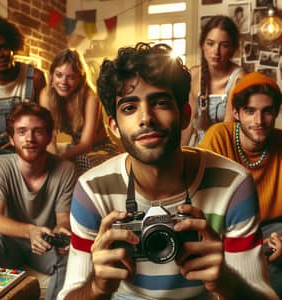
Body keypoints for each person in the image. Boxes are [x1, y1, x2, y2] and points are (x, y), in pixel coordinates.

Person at [58, 43, 277, 300]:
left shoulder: (234, 185)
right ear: (114, 127)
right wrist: (95, 287)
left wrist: (225, 283)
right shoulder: (93, 190)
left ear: (185, 115)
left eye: (160, 102)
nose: (146, 118)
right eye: (129, 107)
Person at [199, 71, 282, 298]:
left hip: (270, 228)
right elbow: (200, 198)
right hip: (222, 225)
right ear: (235, 112)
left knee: (273, 262)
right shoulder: (219, 137)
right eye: (250, 111)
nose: (259, 121)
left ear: (276, 112)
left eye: (267, 112)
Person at [0, 102, 77, 300]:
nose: (30, 139)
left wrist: (61, 233)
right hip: (8, 242)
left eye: (38, 131)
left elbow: (63, 219)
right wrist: (30, 231)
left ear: (50, 137)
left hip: (45, 244)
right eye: (22, 132)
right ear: (11, 138)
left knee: (73, 256)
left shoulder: (65, 169)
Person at [40, 49, 119, 175]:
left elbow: (86, 144)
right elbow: (50, 137)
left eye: (71, 77)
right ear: (52, 74)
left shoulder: (90, 97)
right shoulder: (46, 94)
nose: (63, 82)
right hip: (73, 149)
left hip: (100, 149)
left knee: (81, 161)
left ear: (80, 78)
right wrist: (52, 159)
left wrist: (60, 158)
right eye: (59, 75)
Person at [0, 15, 46, 169]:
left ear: (12, 46)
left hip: (24, 149)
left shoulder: (35, 77)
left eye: (3, 47)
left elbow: (45, 121)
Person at [181, 15, 245, 147]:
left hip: (226, 150)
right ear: (202, 45)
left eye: (224, 45)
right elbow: (188, 124)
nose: (216, 51)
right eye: (210, 43)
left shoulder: (239, 78)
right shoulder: (194, 74)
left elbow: (227, 131)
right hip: (199, 150)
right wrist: (180, 155)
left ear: (233, 49)